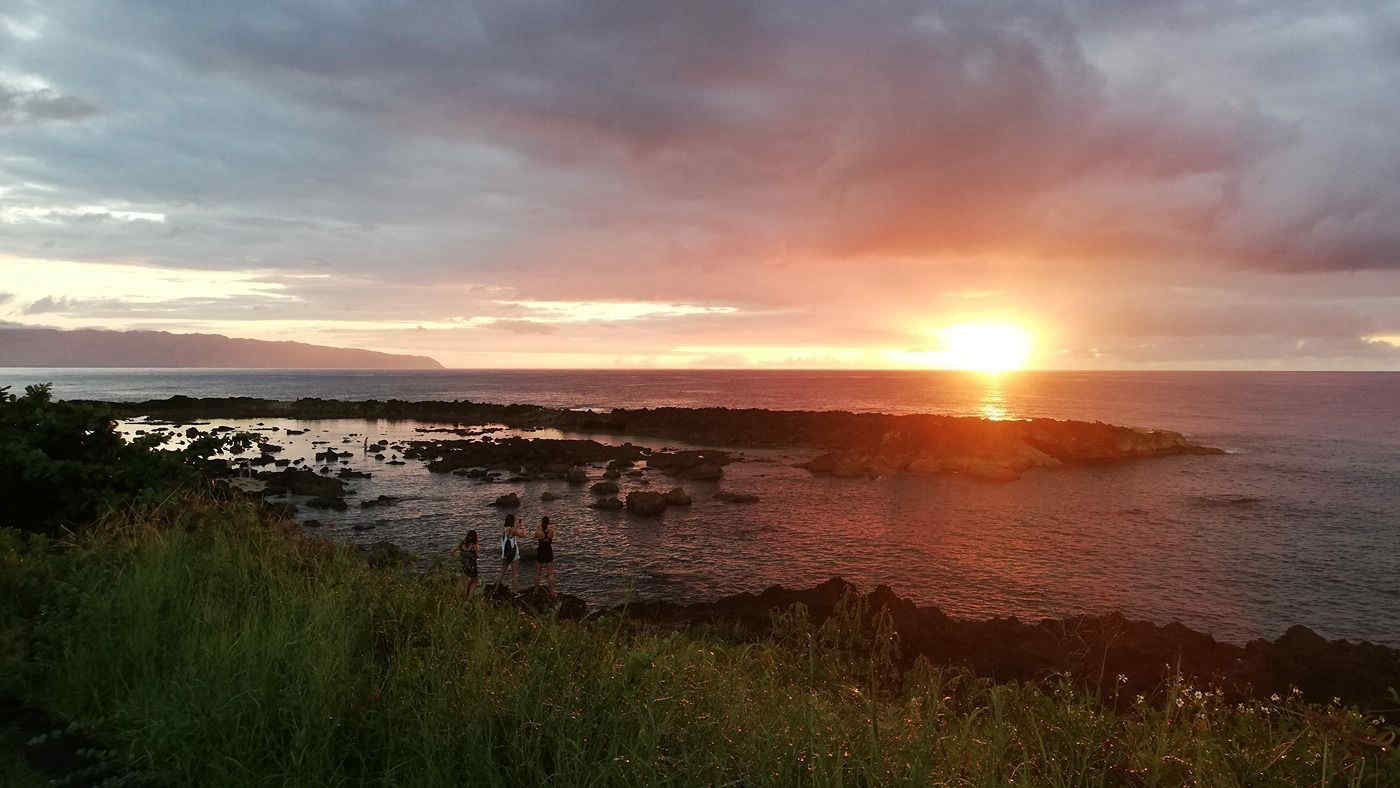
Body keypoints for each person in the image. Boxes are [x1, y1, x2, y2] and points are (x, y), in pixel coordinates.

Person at [451, 529, 479, 598]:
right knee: (475, 581)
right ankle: (469, 598)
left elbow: (452, 552)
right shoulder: (474, 546)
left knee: (464, 581)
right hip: (472, 567)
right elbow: (477, 556)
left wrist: (460, 557)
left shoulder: (461, 544)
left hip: (463, 565)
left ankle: (461, 596)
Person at [498, 514, 522, 591]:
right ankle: (516, 591)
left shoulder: (503, 529)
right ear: (512, 521)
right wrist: (520, 526)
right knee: (515, 574)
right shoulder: (512, 530)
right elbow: (522, 535)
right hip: (513, 554)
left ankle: (495, 589)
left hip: (505, 554)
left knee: (501, 573)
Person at [534, 516, 556, 598]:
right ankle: (552, 592)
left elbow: (535, 536)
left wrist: (538, 530)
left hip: (540, 552)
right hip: (548, 552)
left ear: (542, 522)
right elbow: (550, 539)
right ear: (548, 523)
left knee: (538, 573)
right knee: (550, 573)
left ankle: (535, 591)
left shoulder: (539, 531)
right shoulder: (551, 531)